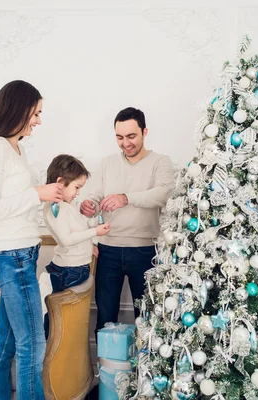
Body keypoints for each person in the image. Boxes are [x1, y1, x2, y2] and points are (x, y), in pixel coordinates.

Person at [0, 80, 61, 400]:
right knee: (32, 346)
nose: (38, 120)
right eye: (35, 112)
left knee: (7, 342)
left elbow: (20, 204)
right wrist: (36, 193)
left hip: (22, 252)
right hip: (11, 256)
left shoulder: (16, 148)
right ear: (19, 109)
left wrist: (48, 198)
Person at [80, 107, 175, 334]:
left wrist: (126, 198)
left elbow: (163, 194)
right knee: (105, 316)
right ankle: (104, 369)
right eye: (120, 138)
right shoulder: (107, 162)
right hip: (108, 250)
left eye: (131, 136)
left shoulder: (160, 162)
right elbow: (95, 196)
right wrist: (89, 206)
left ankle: (145, 369)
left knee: (147, 317)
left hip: (144, 251)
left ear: (144, 132)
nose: (126, 143)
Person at [42, 154, 110, 339]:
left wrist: (99, 218)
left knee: (68, 318)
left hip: (76, 267)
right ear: (60, 182)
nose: (78, 192)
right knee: (61, 319)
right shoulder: (55, 208)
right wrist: (95, 232)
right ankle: (51, 350)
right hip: (69, 270)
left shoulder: (69, 205)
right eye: (77, 187)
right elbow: (67, 239)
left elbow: (82, 225)